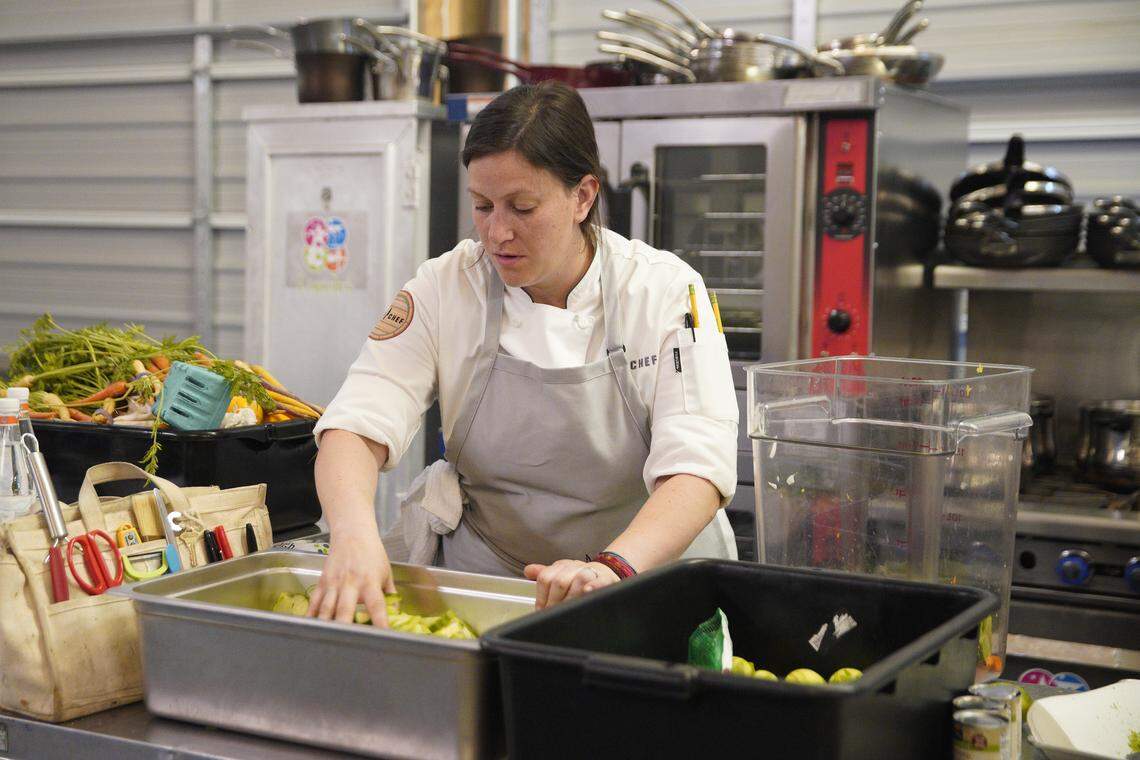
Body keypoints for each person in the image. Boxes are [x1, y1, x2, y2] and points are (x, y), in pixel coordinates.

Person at [309, 81, 738, 626]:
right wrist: (352, 535)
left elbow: (698, 467)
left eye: (523, 207)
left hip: (644, 580)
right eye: (482, 206)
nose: (497, 232)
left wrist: (612, 567)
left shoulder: (665, 293)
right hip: (492, 582)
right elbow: (357, 423)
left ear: (583, 197)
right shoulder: (447, 287)